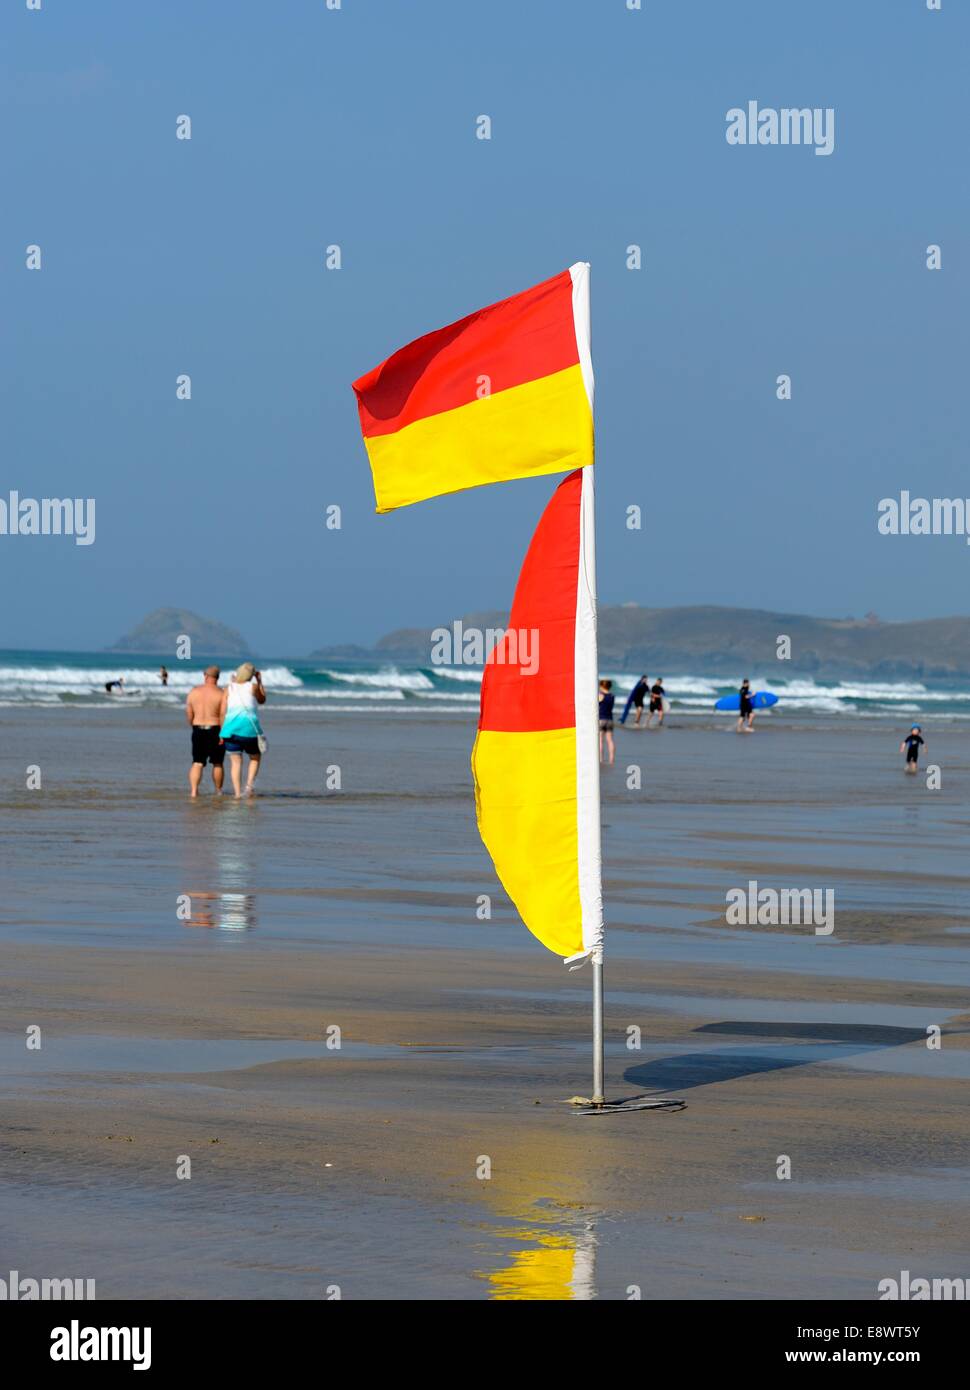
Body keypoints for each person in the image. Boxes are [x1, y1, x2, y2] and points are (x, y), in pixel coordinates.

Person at [219, 662, 266, 798]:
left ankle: (238, 794)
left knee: (235, 762)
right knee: (255, 757)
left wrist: (222, 732)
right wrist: (260, 681)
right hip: (249, 729)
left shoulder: (229, 689)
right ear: (252, 675)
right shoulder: (253, 687)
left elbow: (222, 712)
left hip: (230, 729)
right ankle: (249, 787)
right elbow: (262, 700)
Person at [186, 666, 225, 797]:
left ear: (205, 676)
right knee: (217, 763)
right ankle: (218, 791)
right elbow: (223, 715)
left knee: (197, 762)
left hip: (198, 729)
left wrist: (193, 724)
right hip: (215, 729)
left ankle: (193, 791)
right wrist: (223, 733)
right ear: (217, 678)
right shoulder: (221, 693)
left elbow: (189, 713)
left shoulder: (193, 692)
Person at [598, 679, 615, 765]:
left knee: (600, 740)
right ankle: (611, 759)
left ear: (602, 686)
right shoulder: (612, 696)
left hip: (601, 719)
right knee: (610, 740)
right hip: (610, 719)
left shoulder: (600, 695)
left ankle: (601, 759)